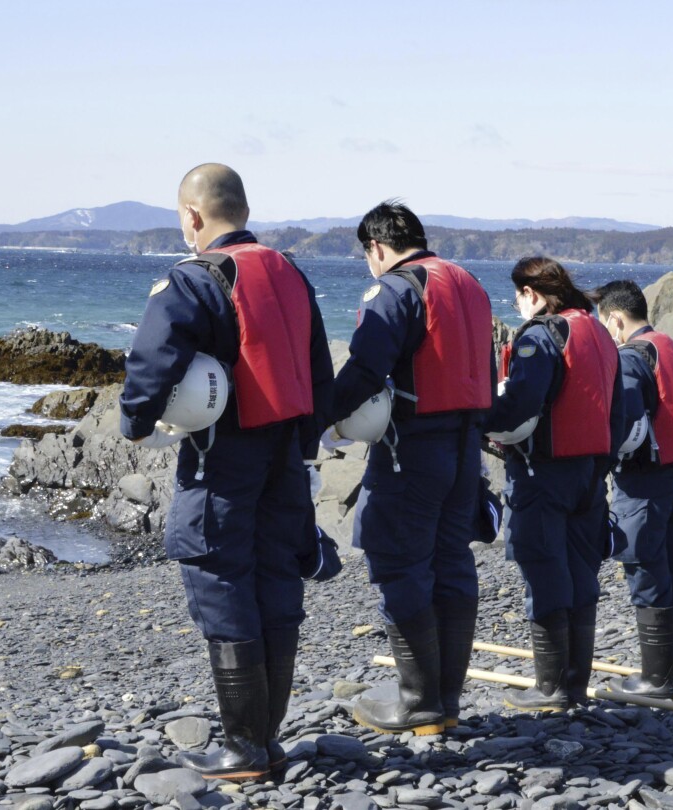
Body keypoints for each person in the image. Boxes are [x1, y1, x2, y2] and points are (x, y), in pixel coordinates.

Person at [119, 164, 334, 780]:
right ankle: (266, 741)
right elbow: (318, 367)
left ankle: (243, 748)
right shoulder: (290, 269)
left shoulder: (192, 279)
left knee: (220, 577)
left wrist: (135, 424)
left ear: (193, 216)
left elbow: (152, 361)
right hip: (286, 454)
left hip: (225, 453)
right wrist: (307, 442)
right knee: (275, 580)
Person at [331, 201, 495, 735]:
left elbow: (364, 369)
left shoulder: (396, 288)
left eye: (368, 257)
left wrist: (317, 419)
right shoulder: (469, 283)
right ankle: (444, 701)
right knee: (450, 564)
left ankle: (418, 703)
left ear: (377, 248)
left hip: (413, 448)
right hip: (465, 446)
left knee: (399, 562)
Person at [486, 257, 624, 711]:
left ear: (533, 294)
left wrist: (482, 423)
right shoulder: (599, 332)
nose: (516, 304)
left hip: (542, 471)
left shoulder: (543, 335)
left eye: (518, 295)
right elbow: (618, 412)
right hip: (589, 473)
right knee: (581, 573)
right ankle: (576, 684)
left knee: (544, 570)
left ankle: (550, 688)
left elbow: (522, 402)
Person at [592, 280, 673, 699]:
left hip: (644, 478)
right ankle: (670, 676)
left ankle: (657, 679)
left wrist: (599, 460)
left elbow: (623, 414)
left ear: (616, 320)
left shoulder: (630, 356)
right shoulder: (671, 348)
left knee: (645, 565)